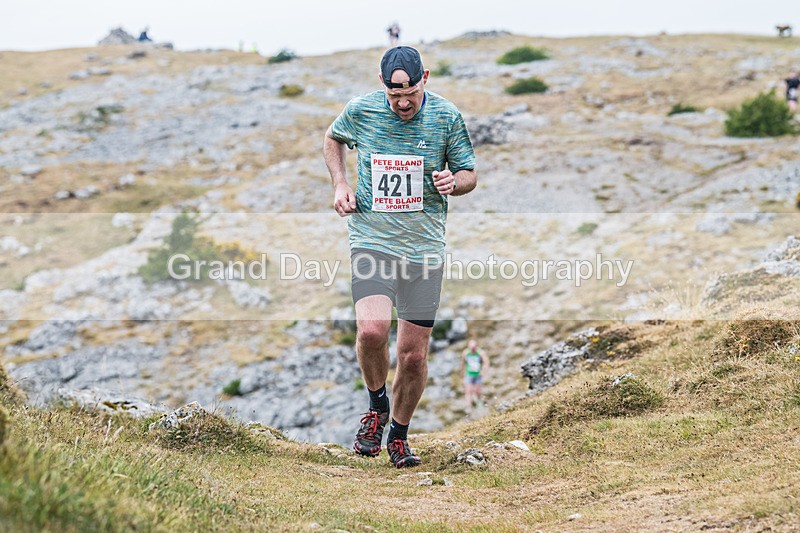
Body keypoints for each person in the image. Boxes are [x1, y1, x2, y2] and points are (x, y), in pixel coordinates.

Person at [323, 46, 477, 468]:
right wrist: (340, 184)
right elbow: (333, 139)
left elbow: (469, 173)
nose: (403, 103)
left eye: (410, 93)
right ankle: (377, 407)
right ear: (382, 86)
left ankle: (399, 436)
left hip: (424, 249)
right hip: (372, 240)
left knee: (413, 356)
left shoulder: (446, 117)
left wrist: (454, 181)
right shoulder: (362, 111)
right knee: (372, 332)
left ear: (424, 77)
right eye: (395, 97)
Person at [461, 339, 489, 407]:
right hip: (469, 374)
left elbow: (486, 362)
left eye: (474, 348)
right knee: (468, 390)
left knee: (478, 391)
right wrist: (462, 372)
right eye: (471, 348)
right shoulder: (466, 353)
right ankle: (468, 405)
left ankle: (479, 403)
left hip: (477, 375)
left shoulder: (480, 353)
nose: (472, 350)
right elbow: (463, 363)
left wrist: (483, 370)